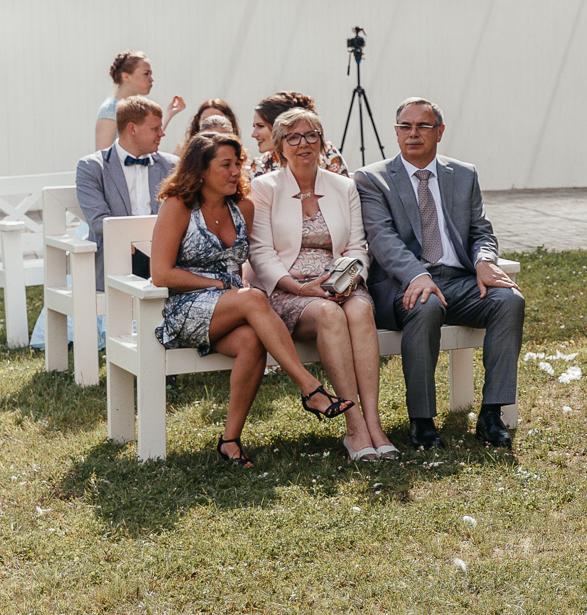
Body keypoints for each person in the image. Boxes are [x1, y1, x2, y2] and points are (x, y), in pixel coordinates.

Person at [151, 131, 356, 468]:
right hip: (186, 308)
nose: (237, 172)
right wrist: (216, 283)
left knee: (251, 341)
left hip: (234, 305)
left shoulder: (242, 207)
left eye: (239, 164)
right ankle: (310, 388)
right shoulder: (178, 206)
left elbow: (254, 256)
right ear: (200, 170)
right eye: (226, 165)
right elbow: (161, 273)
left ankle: (230, 441)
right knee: (253, 300)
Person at [353, 98, 525, 451]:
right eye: (405, 126)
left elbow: (481, 230)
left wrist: (484, 261)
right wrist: (416, 275)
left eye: (423, 126)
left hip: (459, 281)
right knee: (427, 305)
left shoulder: (463, 174)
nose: (412, 134)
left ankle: (492, 413)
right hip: (405, 285)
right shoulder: (373, 179)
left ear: (440, 132)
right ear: (396, 132)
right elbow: (382, 240)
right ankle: (422, 421)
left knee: (509, 300)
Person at [250, 108, 396, 462]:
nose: (304, 144)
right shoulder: (265, 188)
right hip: (290, 289)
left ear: (322, 141)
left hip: (341, 281)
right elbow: (261, 253)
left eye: (312, 135)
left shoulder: (344, 186)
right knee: (330, 315)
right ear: (279, 146)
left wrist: (347, 279)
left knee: (361, 310)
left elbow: (358, 247)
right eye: (294, 137)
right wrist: (300, 288)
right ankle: (355, 427)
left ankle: (376, 424)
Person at [74, 96, 178, 293]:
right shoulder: (92, 167)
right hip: (117, 257)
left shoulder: (172, 165)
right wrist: (132, 241)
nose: (162, 133)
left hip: (164, 254)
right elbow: (98, 221)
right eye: (155, 128)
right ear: (132, 129)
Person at [96, 51, 184, 152]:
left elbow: (147, 135)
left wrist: (169, 113)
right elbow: (103, 157)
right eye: (146, 74)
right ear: (126, 76)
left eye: (151, 74)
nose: (151, 79)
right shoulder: (109, 110)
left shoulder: (142, 108)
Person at [249, 91, 348, 178]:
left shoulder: (327, 154)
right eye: (255, 126)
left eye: (260, 126)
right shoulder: (260, 166)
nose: (253, 134)